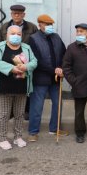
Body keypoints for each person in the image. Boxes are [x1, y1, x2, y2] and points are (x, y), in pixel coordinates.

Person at [0, 25, 37, 150]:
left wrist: (27, 67)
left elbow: (34, 61)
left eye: (18, 34)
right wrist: (11, 68)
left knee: (19, 114)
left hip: (22, 86)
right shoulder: (0, 47)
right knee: (4, 114)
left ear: (22, 35)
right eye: (13, 33)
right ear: (7, 35)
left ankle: (18, 137)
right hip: (5, 86)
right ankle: (2, 138)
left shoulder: (26, 48)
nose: (16, 36)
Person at [27, 14, 67, 142]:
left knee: (58, 104)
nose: (49, 27)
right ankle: (33, 132)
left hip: (56, 78)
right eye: (46, 24)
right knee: (37, 106)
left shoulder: (56, 37)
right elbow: (36, 60)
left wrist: (61, 67)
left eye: (50, 24)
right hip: (40, 78)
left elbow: (64, 53)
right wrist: (53, 70)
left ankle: (54, 129)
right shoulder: (33, 39)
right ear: (39, 25)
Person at [0, 4, 38, 121]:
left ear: (23, 15)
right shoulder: (5, 27)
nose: (17, 15)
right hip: (8, 60)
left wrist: (30, 60)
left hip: (25, 61)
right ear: (11, 14)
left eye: (19, 13)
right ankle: (9, 112)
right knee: (9, 86)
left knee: (24, 86)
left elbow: (36, 43)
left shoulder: (31, 27)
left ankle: (26, 110)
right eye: (14, 13)